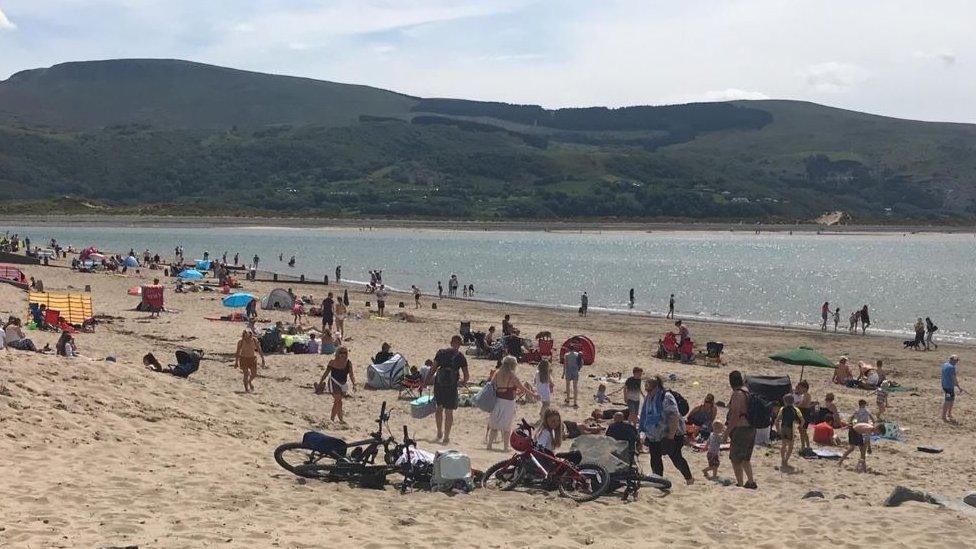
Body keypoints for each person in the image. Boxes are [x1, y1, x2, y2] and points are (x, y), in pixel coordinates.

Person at [638, 376, 693, 485]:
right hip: (654, 435)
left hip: (671, 434)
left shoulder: (666, 397)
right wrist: (643, 434)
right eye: (646, 390)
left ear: (656, 387)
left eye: (650, 390)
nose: (648, 392)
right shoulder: (649, 398)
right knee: (655, 459)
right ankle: (659, 481)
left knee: (676, 458)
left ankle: (689, 479)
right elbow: (645, 416)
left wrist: (670, 438)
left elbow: (674, 416)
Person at [428, 335, 470, 444]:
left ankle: (439, 432)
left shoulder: (441, 352)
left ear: (451, 342)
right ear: (459, 344)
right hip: (452, 385)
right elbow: (466, 375)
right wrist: (463, 382)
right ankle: (446, 436)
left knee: (439, 408)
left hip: (439, 384)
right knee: (449, 412)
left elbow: (433, 369)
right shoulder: (460, 356)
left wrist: (425, 382)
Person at [723, 370, 757, 489]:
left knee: (735, 458)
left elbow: (735, 415)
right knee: (745, 458)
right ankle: (751, 482)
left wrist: (726, 433)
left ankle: (740, 484)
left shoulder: (737, 393)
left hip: (741, 429)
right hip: (751, 428)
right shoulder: (748, 391)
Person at [487, 356, 522, 450]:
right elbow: (522, 388)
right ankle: (505, 447)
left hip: (497, 401)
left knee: (494, 425)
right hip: (508, 403)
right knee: (507, 426)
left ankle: (489, 445)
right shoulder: (512, 375)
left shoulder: (497, 373)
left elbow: (492, 385)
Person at [317, 347, 356, 423]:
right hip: (333, 382)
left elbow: (351, 374)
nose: (343, 355)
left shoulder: (348, 363)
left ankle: (340, 419)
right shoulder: (332, 362)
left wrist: (354, 384)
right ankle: (332, 419)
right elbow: (326, 373)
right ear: (338, 353)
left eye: (345, 353)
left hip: (343, 384)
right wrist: (321, 381)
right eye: (341, 353)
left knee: (340, 402)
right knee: (337, 400)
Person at [775, 394, 802, 471]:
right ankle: (786, 460)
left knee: (783, 444)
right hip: (791, 428)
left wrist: (778, 430)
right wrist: (800, 426)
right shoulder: (796, 409)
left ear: (784, 401)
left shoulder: (782, 409)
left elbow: (777, 421)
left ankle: (782, 459)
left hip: (783, 427)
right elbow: (802, 420)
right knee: (790, 445)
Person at [792, 380, 813, 452]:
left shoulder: (806, 395)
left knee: (802, 430)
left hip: (805, 413)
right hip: (803, 412)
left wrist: (795, 406)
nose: (799, 389)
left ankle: (804, 446)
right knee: (803, 431)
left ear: (804, 388)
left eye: (800, 388)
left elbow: (803, 404)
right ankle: (806, 446)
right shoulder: (804, 395)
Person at [941, 355, 962, 422]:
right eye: (956, 361)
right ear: (953, 360)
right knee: (947, 400)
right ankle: (944, 416)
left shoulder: (945, 364)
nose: (956, 363)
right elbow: (954, 378)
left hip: (945, 385)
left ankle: (949, 413)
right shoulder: (952, 367)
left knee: (952, 399)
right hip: (948, 387)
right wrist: (959, 387)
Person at [563, 343, 583, 408]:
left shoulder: (566, 355)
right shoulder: (577, 355)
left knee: (568, 386)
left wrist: (563, 373)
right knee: (575, 387)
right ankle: (575, 402)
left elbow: (565, 365)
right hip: (575, 371)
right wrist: (578, 369)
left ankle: (568, 399)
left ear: (569, 349)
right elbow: (582, 363)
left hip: (568, 371)